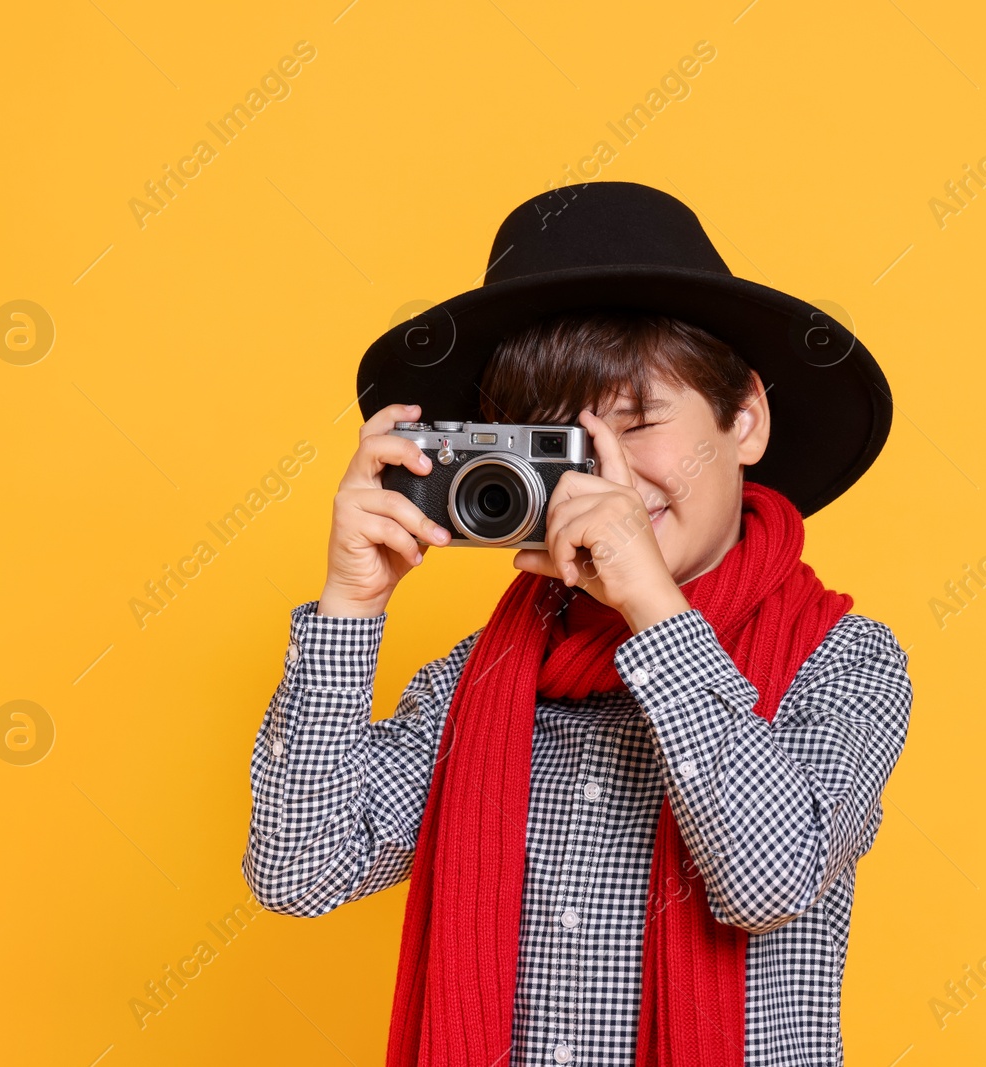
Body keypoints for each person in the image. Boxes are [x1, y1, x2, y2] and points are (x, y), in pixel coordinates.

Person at [242, 182, 912, 1066]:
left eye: (637, 424)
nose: (609, 478)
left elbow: (769, 876)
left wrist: (651, 610)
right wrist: (351, 606)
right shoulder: (477, 678)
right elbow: (301, 870)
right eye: (556, 446)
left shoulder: (847, 659)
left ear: (743, 418)